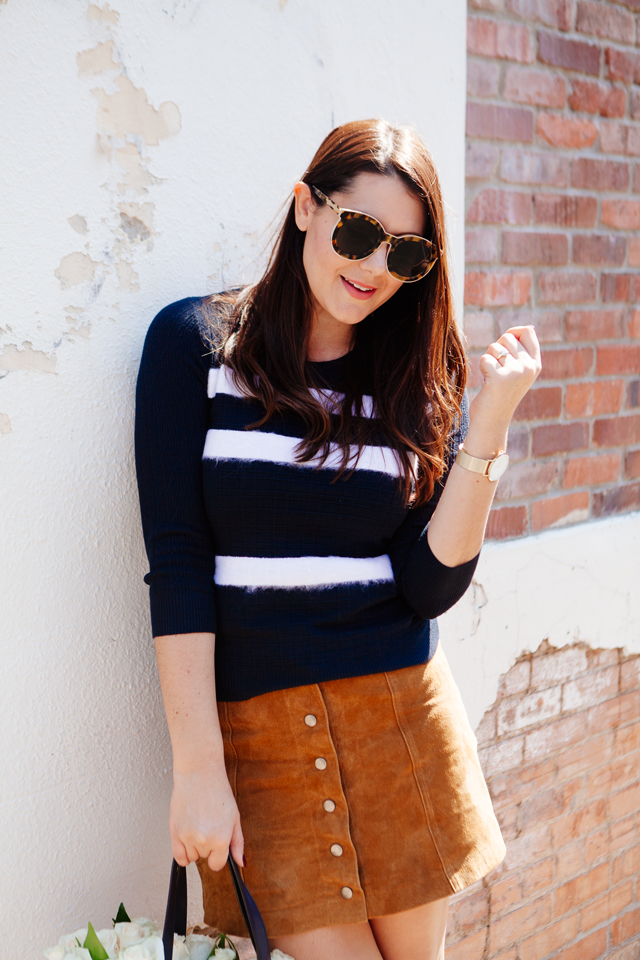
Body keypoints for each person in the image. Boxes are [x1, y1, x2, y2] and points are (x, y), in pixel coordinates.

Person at [135, 119, 541, 960]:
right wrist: (196, 770)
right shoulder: (195, 349)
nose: (372, 268)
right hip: (262, 738)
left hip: (400, 724)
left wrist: (489, 424)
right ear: (304, 209)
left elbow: (430, 585)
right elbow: (178, 562)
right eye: (358, 233)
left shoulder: (418, 386)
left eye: (406, 254)